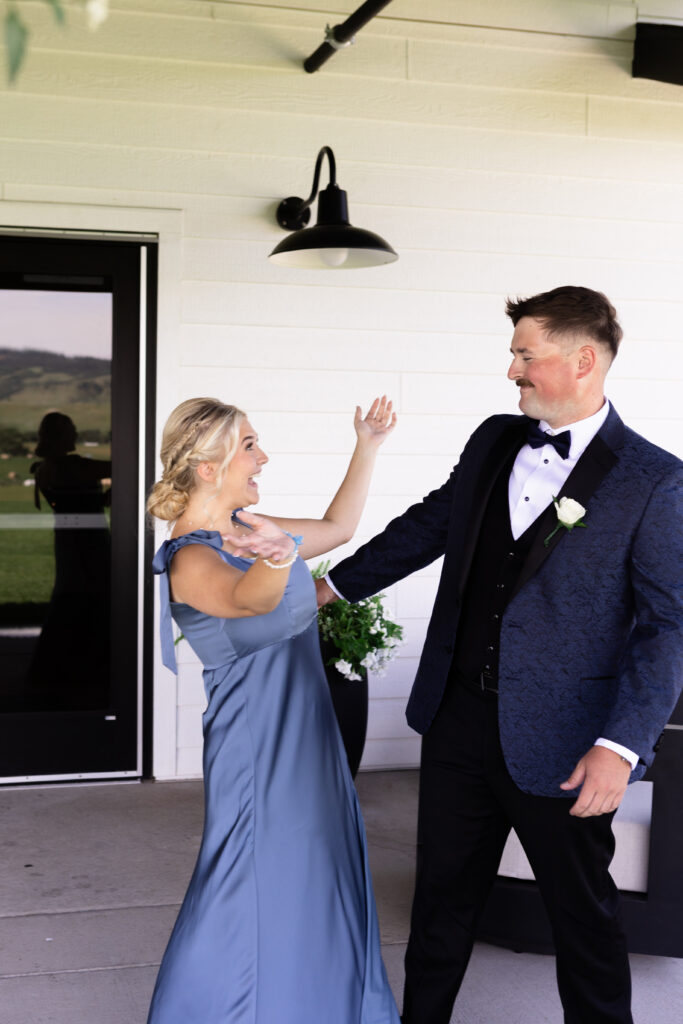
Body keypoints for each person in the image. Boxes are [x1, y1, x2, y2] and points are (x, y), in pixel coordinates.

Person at [316, 286, 683, 1024]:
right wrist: (332, 587)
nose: (511, 370)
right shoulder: (493, 439)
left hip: (567, 742)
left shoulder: (655, 479)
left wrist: (619, 747)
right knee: (439, 905)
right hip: (456, 719)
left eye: (525, 355)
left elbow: (667, 625)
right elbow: (431, 525)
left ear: (582, 361)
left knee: (583, 920)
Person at [146, 395, 401, 1024]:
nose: (263, 457)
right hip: (259, 745)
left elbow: (339, 528)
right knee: (249, 881)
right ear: (208, 467)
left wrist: (367, 447)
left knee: (315, 875)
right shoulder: (190, 557)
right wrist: (281, 555)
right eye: (250, 445)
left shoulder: (249, 527)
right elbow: (249, 600)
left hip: (309, 733)